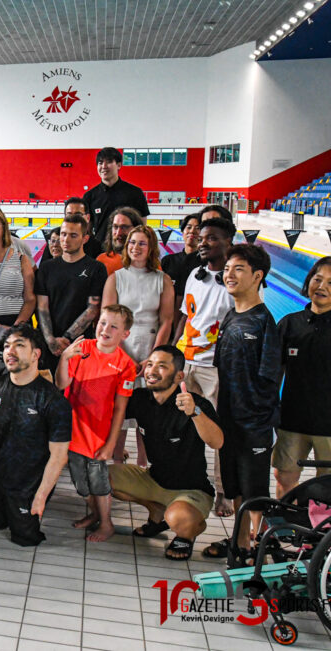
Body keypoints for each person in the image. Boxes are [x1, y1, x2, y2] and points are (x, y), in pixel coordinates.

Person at [110, 346, 223, 560]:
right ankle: (157, 512)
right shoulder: (142, 398)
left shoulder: (195, 403)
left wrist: (195, 413)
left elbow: (217, 442)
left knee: (179, 518)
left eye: (162, 366)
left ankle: (187, 535)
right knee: (99, 478)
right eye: (150, 364)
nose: (152, 371)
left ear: (179, 375)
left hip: (192, 490)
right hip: (154, 480)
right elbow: (108, 410)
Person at [204, 244, 281, 558]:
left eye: (238, 269)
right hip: (230, 420)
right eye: (227, 269)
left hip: (255, 424)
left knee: (254, 491)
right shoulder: (231, 317)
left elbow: (270, 380)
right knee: (234, 487)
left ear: (257, 276)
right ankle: (240, 543)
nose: (229, 275)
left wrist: (259, 423)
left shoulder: (264, 323)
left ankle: (259, 548)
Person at [273, 257, 331, 497]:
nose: (322, 286)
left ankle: (320, 534)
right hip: (292, 420)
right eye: (318, 279)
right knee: (284, 479)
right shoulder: (289, 324)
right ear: (308, 281)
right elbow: (276, 374)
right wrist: (272, 412)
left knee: (328, 487)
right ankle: (283, 531)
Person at [0, 325, 71, 546]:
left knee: (25, 539)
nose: (10, 351)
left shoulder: (52, 401)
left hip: (28, 485)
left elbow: (59, 456)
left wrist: (40, 497)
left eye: (19, 345)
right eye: (6, 346)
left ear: (36, 354)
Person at [55, 304, 137, 542]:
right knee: (81, 482)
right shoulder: (82, 350)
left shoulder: (126, 366)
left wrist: (111, 443)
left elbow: (121, 408)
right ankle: (95, 514)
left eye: (114, 326)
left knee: (98, 481)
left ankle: (107, 523)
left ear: (125, 334)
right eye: (102, 323)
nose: (105, 329)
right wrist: (64, 358)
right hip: (72, 429)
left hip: (98, 434)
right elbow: (61, 384)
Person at [175, 216, 236, 517]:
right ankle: (188, 480)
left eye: (211, 238)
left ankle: (223, 491)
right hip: (186, 362)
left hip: (215, 367)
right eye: (201, 237)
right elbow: (185, 318)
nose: (202, 242)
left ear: (228, 244)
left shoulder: (236, 281)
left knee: (217, 430)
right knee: (186, 425)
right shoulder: (195, 274)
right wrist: (173, 353)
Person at [102, 225, 174, 464]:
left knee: (148, 410)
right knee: (120, 410)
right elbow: (108, 322)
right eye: (132, 242)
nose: (135, 247)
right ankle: (118, 465)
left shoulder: (162, 280)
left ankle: (144, 465)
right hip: (121, 347)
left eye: (142, 243)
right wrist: (125, 358)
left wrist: (153, 358)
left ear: (151, 247)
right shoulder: (116, 279)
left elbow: (166, 320)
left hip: (151, 347)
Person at [34, 214, 107, 368]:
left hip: (79, 344)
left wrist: (66, 338)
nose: (66, 240)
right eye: (63, 234)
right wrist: (50, 340)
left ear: (85, 239)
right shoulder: (47, 267)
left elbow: (92, 309)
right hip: (47, 344)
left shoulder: (96, 268)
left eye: (73, 235)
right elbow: (42, 306)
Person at [82, 147, 149, 248]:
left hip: (127, 250)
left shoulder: (135, 193)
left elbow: (142, 227)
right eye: (100, 163)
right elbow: (88, 229)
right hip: (100, 251)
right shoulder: (90, 196)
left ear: (119, 165)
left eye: (108, 162)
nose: (104, 166)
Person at [161, 213, 202, 326]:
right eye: (188, 227)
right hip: (168, 317)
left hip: (195, 319)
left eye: (198, 228)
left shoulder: (205, 264)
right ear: (183, 232)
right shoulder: (168, 261)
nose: (192, 231)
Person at [96, 207, 144, 275]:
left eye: (124, 227)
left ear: (137, 229)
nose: (118, 233)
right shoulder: (102, 260)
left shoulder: (148, 262)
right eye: (115, 227)